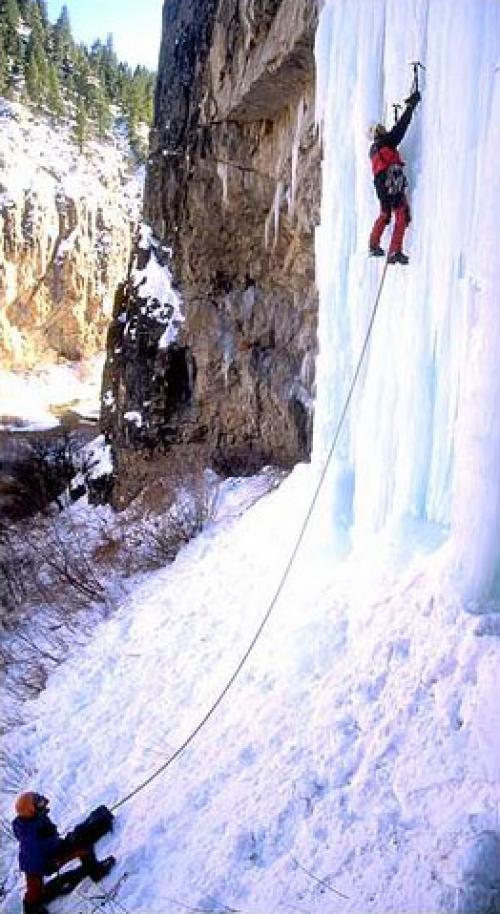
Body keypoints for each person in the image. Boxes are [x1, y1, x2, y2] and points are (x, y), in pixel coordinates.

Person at [12, 792, 115, 914]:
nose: (43, 804)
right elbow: (35, 855)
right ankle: (96, 872)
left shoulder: (30, 821)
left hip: (45, 854)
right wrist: (53, 863)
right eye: (38, 803)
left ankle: (33, 908)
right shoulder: (34, 836)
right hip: (44, 862)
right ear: (30, 810)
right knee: (83, 848)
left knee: (34, 890)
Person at [368, 89, 421, 264]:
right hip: (392, 182)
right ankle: (394, 250)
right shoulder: (387, 142)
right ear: (379, 134)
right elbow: (400, 128)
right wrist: (410, 107)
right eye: (381, 130)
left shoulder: (374, 151)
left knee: (385, 213)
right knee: (401, 213)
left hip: (381, 185)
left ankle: (374, 244)